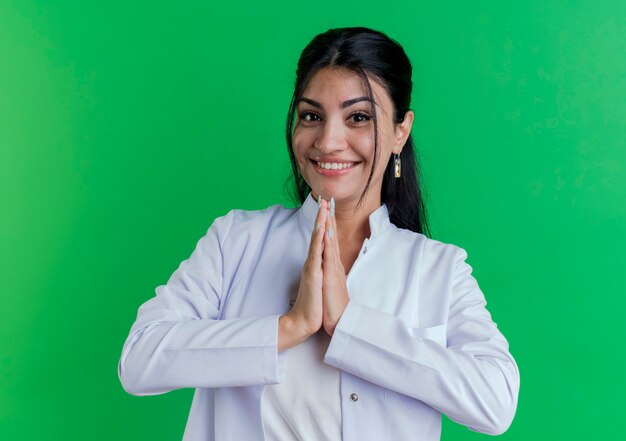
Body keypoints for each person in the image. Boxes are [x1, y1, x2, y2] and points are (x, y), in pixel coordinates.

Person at [117, 26, 520, 441]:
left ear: (401, 130)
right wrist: (289, 327)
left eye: (358, 117)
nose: (328, 141)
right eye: (312, 116)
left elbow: (496, 402)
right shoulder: (236, 240)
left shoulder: (439, 269)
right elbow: (140, 359)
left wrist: (350, 324)